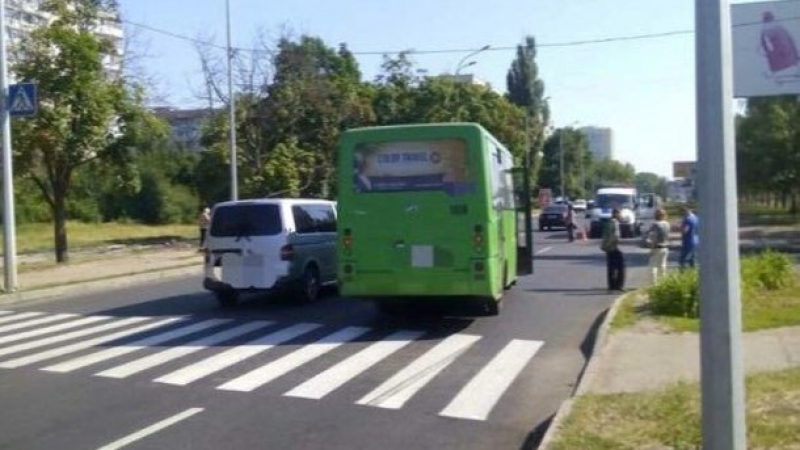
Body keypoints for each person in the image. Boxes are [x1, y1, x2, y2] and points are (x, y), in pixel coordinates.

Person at [601, 208, 625, 291]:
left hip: (609, 247)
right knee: (620, 267)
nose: (621, 216)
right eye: (619, 214)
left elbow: (605, 235)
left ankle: (611, 285)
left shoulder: (609, 222)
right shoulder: (615, 222)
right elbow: (615, 236)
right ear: (616, 214)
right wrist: (610, 244)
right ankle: (619, 285)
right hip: (614, 247)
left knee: (611, 267)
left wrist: (605, 246)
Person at [646, 208, 671, 284]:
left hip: (657, 247)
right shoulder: (667, 224)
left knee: (653, 266)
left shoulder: (655, 225)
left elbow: (652, 236)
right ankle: (663, 283)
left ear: (656, 215)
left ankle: (654, 284)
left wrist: (651, 247)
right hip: (665, 247)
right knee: (663, 266)